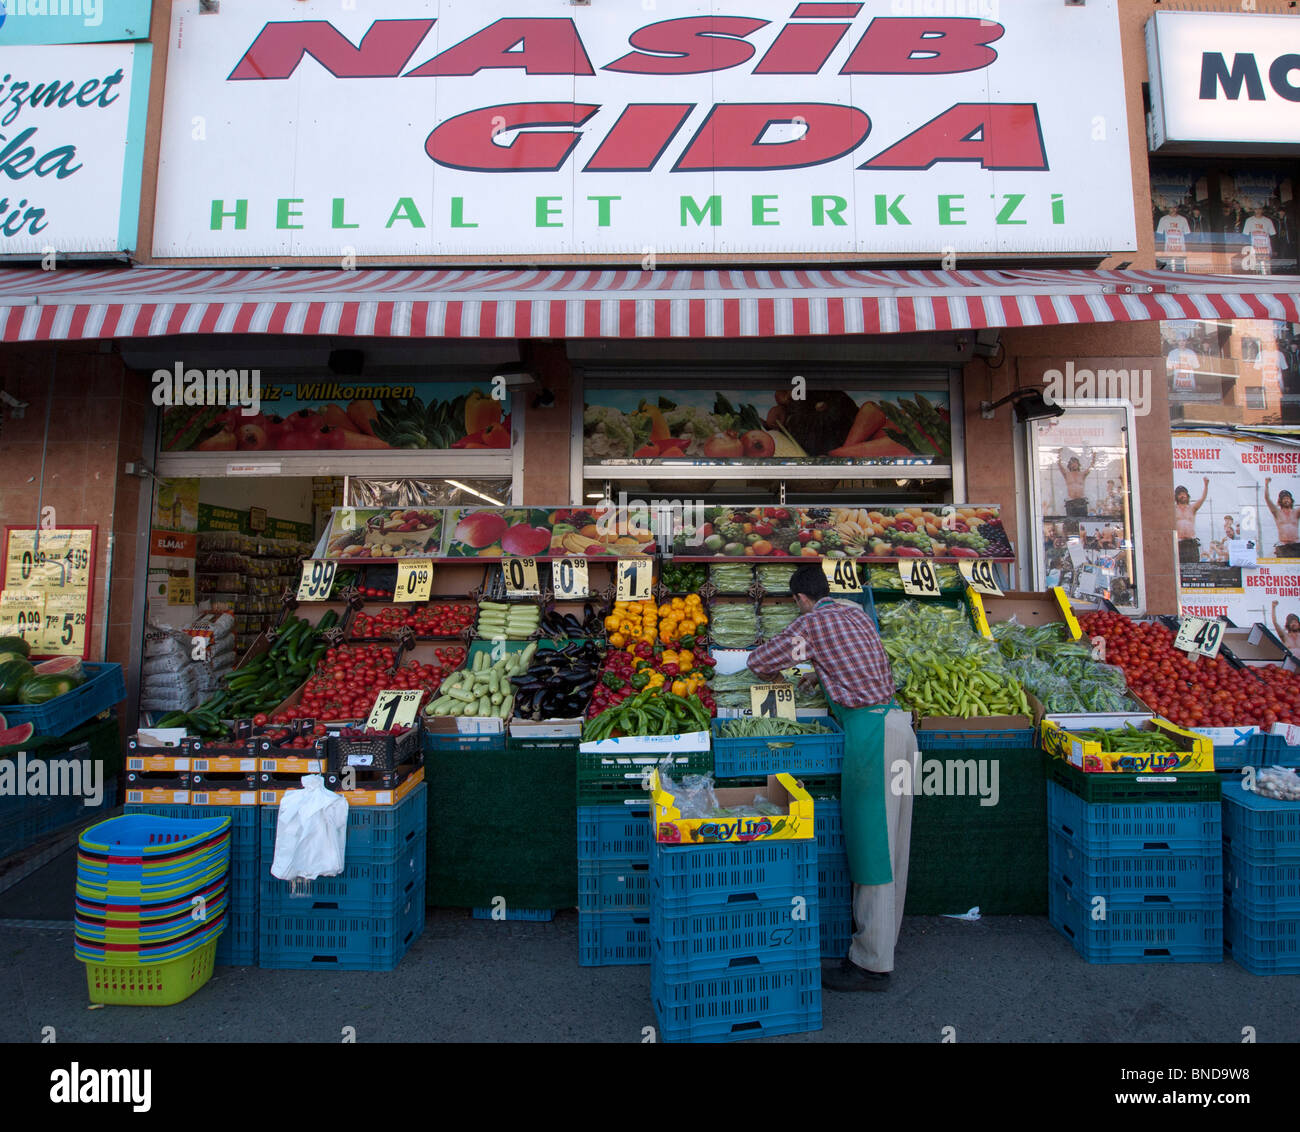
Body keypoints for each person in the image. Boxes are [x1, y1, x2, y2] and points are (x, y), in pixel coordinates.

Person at [746, 563, 913, 992]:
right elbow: (846, 663)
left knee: (872, 848)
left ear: (801, 599)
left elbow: (758, 661)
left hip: (871, 736)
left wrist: (780, 675)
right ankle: (881, 947)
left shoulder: (813, 622)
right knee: (894, 848)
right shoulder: (854, 612)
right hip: (899, 727)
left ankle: (872, 967)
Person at [1174, 478, 1209, 563]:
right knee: (1180, 568)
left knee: (1193, 569)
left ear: (1187, 495)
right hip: (1179, 543)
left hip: (1191, 542)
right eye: (1180, 494)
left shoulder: (1192, 508)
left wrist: (1206, 485)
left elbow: (1202, 499)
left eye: (1184, 494)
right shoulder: (1173, 509)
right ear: (1176, 496)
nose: (1182, 496)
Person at [1265, 478, 1300, 556]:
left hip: (1296, 546)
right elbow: (1267, 499)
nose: (1286, 500)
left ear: (1291, 500)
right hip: (1282, 547)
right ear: (1280, 501)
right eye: (1284, 499)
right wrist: (1266, 485)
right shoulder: (1277, 512)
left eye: (1288, 498)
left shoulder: (1296, 512)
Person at [1057, 451, 1096, 517]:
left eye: (1075, 463)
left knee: (1083, 521)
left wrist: (1094, 457)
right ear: (1069, 465)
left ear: (1078, 464)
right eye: (1072, 463)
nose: (1074, 464)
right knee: (1072, 523)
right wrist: (1059, 453)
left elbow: (1091, 466)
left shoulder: (1082, 474)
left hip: (1081, 501)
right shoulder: (1067, 474)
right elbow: (1059, 465)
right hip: (1070, 502)